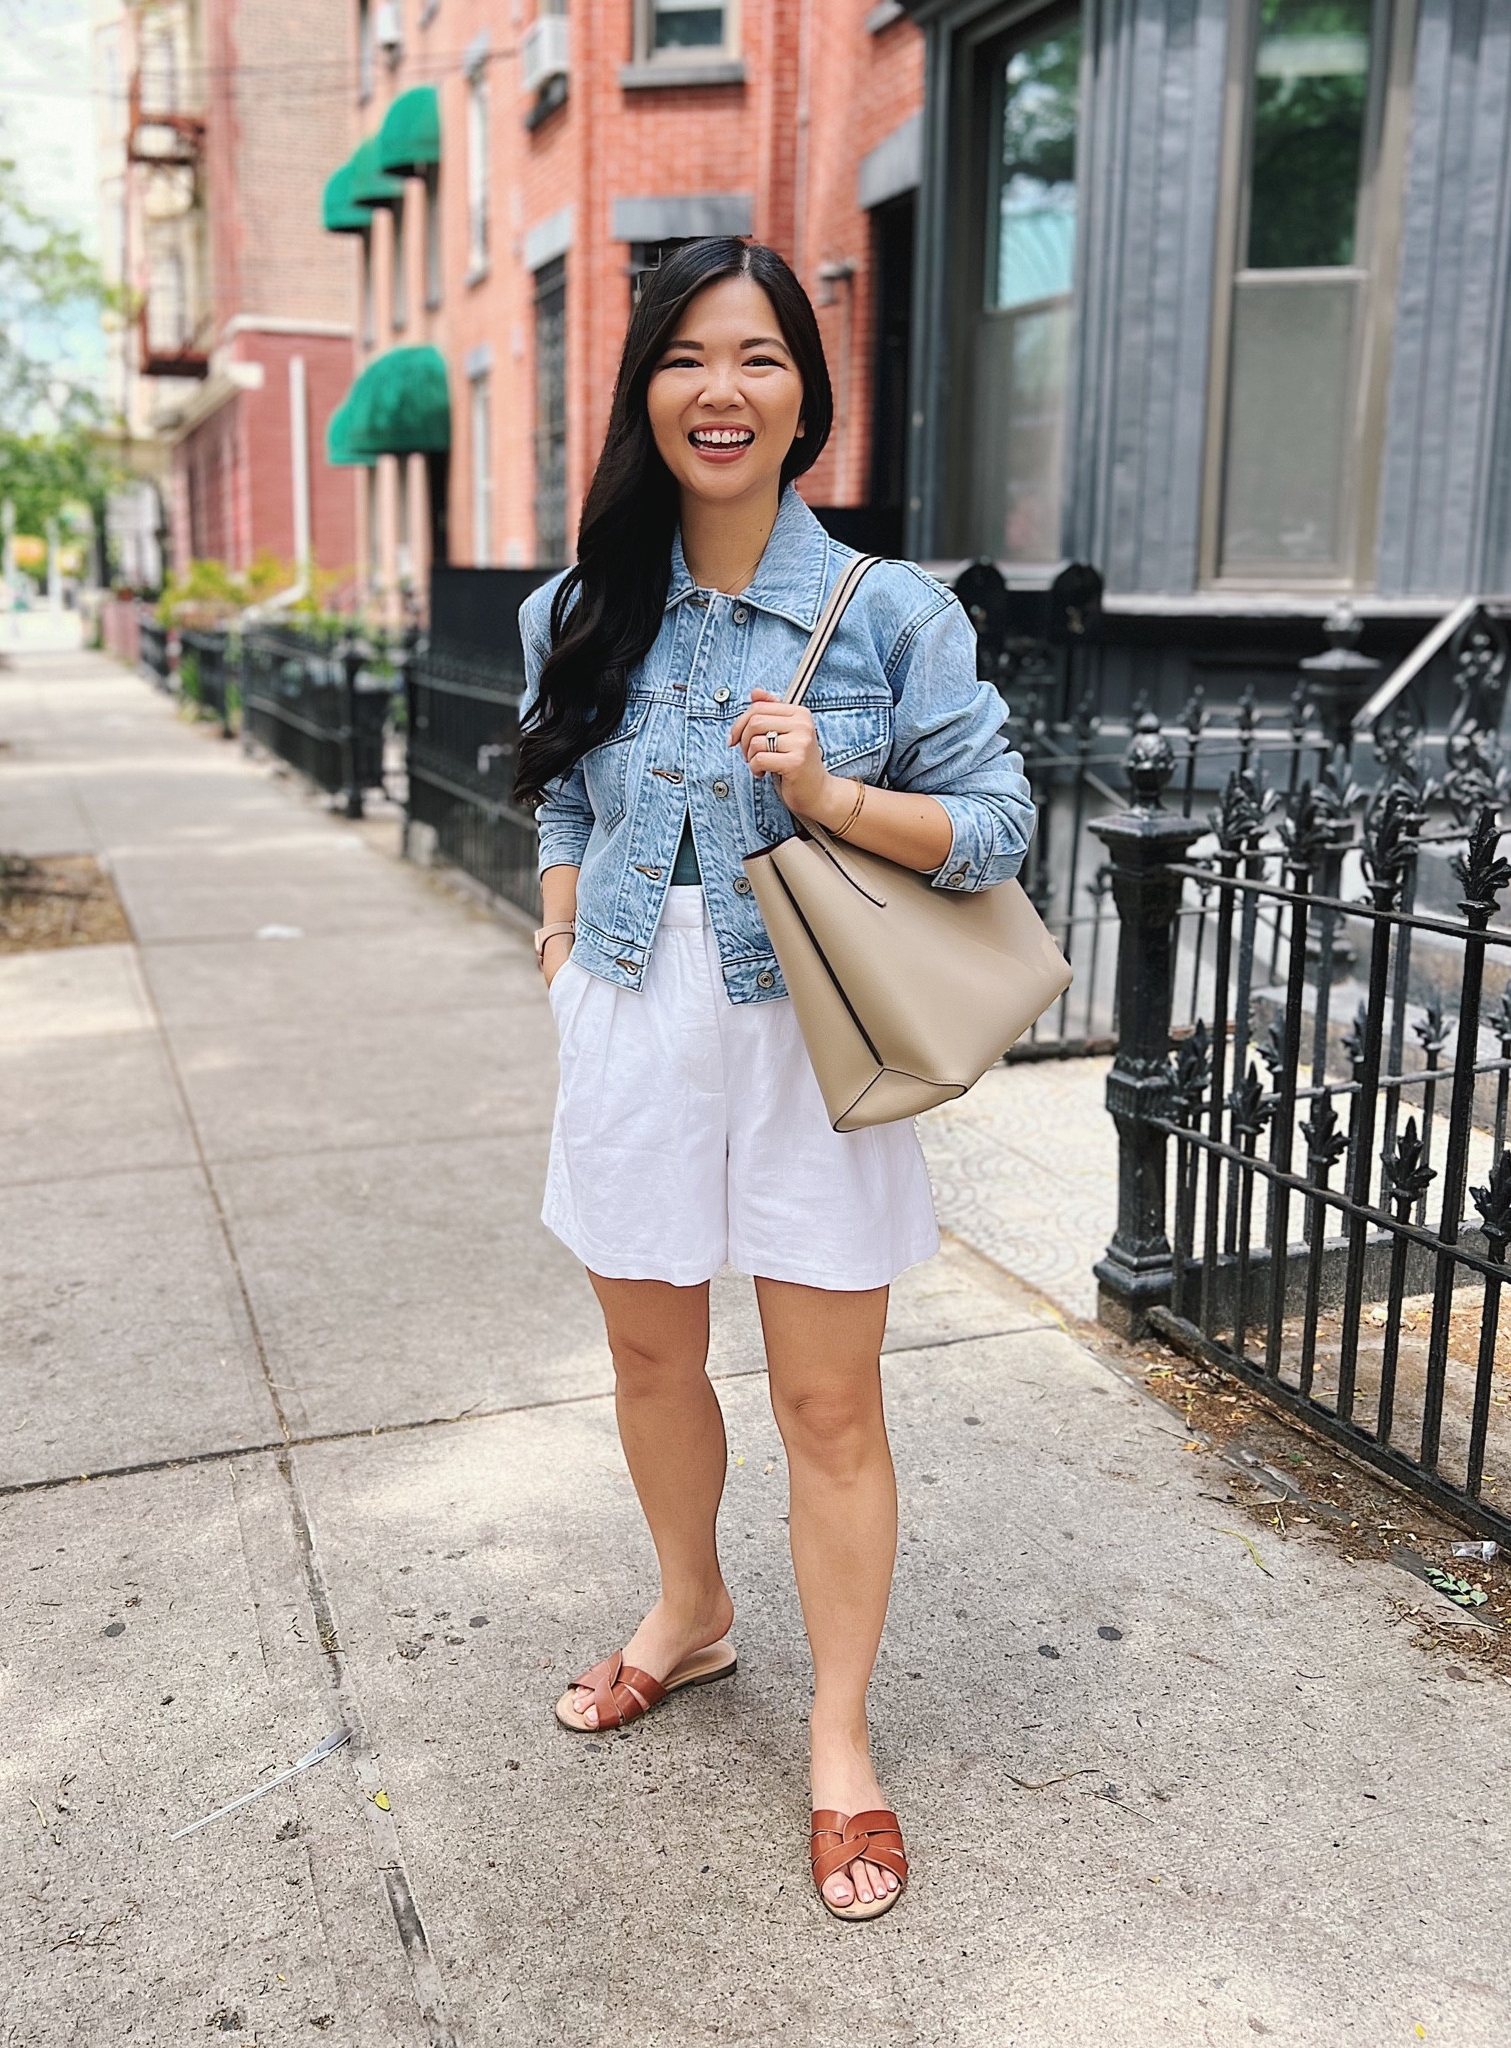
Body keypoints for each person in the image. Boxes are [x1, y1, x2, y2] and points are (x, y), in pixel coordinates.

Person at [514, 238, 1034, 1922]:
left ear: (807, 394)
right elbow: (558, 794)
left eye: (755, 359)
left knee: (826, 1398)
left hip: (808, 1029)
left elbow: (1002, 830)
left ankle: (838, 1735)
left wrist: (833, 799)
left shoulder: (888, 613)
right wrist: (558, 906)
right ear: (642, 390)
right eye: (683, 358)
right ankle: (689, 1610)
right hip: (628, 1018)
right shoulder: (570, 605)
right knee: (650, 1353)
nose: (717, 391)